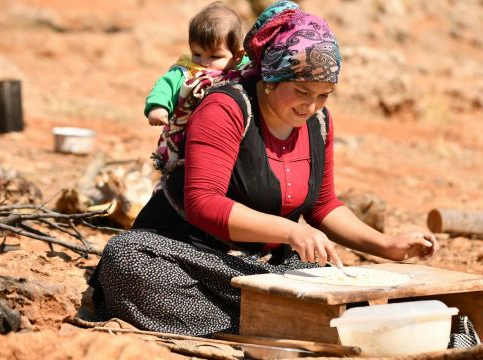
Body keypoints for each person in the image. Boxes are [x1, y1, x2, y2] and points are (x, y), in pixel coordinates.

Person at [89, 3, 439, 337]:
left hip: (263, 267)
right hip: (189, 257)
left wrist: (386, 245)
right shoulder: (226, 108)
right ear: (271, 79)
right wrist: (290, 231)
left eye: (324, 95)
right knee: (127, 260)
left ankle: (269, 318)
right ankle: (278, 320)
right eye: (302, 91)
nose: (312, 105)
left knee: (327, 285)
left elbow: (322, 204)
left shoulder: (318, 122)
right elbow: (202, 201)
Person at [146, 1, 247, 174]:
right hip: (188, 137)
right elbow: (165, 85)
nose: (204, 63)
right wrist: (158, 106)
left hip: (227, 136)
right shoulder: (186, 71)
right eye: (197, 54)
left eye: (214, 56)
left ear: (237, 55)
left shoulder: (244, 68)